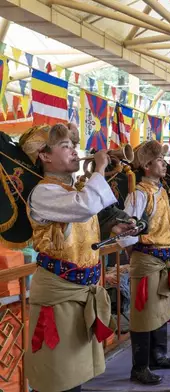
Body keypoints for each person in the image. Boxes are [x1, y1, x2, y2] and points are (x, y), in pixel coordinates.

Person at [21, 123, 135, 392]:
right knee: (57, 373)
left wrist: (111, 228)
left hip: (80, 291)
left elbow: (79, 228)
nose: (73, 151)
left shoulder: (70, 191)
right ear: (44, 156)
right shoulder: (43, 192)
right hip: (59, 295)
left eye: (74, 146)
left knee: (74, 372)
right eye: (65, 146)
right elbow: (84, 207)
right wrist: (98, 168)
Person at [118, 140, 170, 385]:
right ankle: (140, 366)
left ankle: (158, 355)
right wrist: (136, 250)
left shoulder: (161, 191)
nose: (164, 163)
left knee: (160, 310)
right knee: (144, 313)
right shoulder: (139, 193)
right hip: (148, 259)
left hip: (164, 259)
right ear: (147, 165)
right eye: (159, 160)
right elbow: (127, 230)